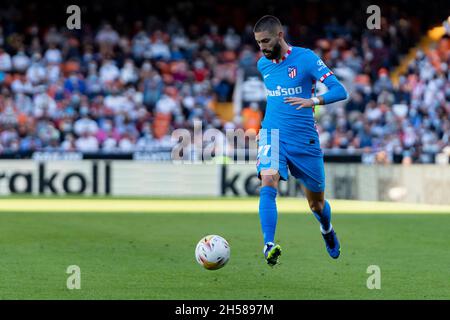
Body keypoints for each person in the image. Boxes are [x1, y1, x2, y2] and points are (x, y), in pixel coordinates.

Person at [253, 15, 348, 266]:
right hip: (272, 134)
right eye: (258, 42)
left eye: (265, 41)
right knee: (268, 179)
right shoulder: (263, 64)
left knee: (316, 205)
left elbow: (340, 90)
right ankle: (268, 244)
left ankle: (326, 229)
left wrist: (313, 101)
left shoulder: (306, 59)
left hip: (304, 140)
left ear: (280, 35)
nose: (262, 47)